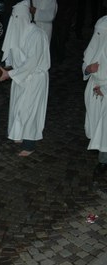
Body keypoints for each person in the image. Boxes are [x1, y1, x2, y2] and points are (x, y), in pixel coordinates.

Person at [0, 1, 50, 157]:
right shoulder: (17, 34)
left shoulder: (37, 35)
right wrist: (8, 68)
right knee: (18, 108)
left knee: (29, 111)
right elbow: (12, 55)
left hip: (34, 79)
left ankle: (30, 143)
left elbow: (32, 62)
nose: (15, 20)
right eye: (14, 17)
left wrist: (10, 74)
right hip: (20, 78)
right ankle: (19, 134)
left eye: (18, 17)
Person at [82, 16, 107, 177]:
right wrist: (88, 69)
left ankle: (103, 161)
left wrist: (104, 89)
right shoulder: (96, 42)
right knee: (95, 122)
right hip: (94, 87)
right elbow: (86, 62)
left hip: (104, 90)